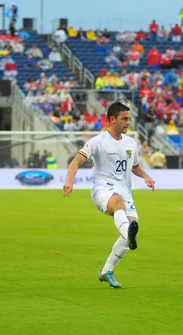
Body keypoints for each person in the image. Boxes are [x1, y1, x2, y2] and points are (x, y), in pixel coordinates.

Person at [63, 102, 155, 288]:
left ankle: (107, 270)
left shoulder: (130, 142)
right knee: (120, 208)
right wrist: (69, 181)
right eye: (124, 118)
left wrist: (145, 175)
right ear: (112, 119)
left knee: (129, 225)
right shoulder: (97, 141)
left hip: (124, 190)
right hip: (103, 190)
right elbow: (76, 162)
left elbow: (134, 166)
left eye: (129, 118)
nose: (128, 122)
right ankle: (129, 235)